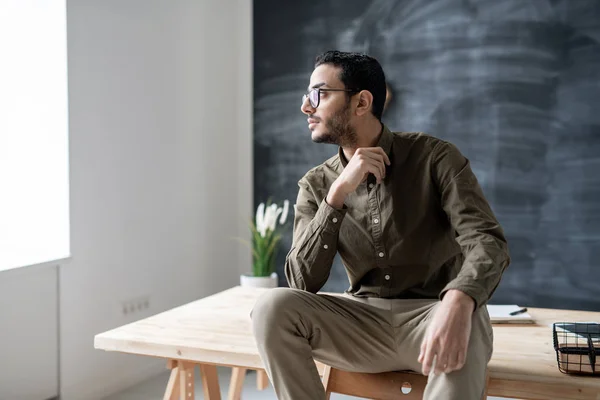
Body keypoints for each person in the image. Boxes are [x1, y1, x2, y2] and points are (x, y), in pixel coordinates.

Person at [251, 50, 511, 400]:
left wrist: (458, 299)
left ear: (362, 102)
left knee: (472, 311)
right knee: (272, 307)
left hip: (433, 316)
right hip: (360, 324)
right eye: (306, 95)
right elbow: (301, 281)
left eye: (319, 94)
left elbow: (486, 240)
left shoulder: (435, 158)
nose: (306, 107)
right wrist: (338, 193)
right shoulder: (316, 185)